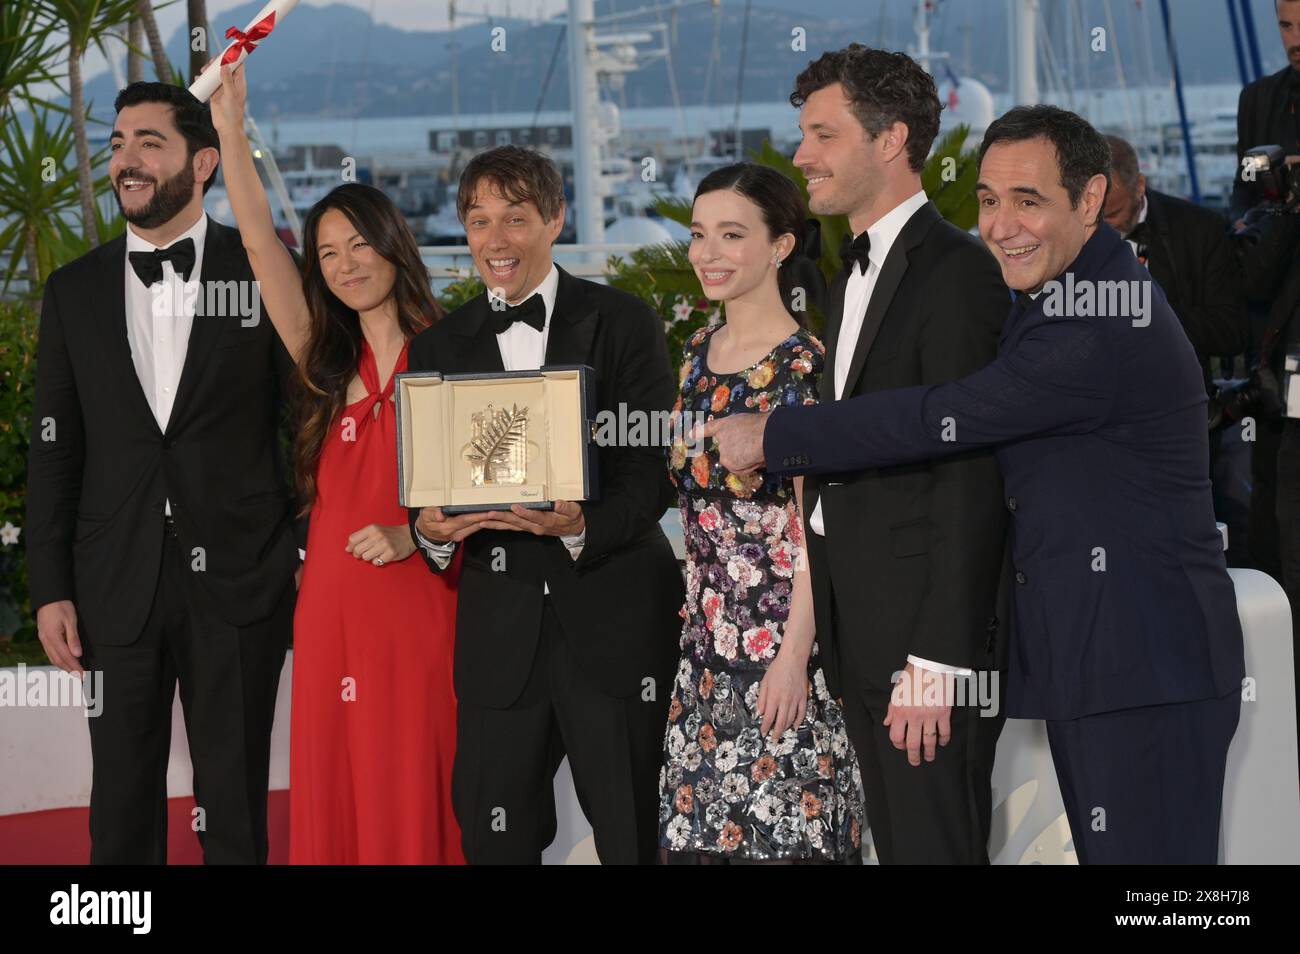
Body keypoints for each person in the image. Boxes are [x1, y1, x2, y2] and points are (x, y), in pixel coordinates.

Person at [704, 105, 1246, 865]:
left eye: (1030, 201)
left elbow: (947, 414)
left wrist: (776, 435)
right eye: (989, 200)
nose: (1001, 225)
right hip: (1106, 663)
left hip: (1142, 666)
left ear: (1091, 200)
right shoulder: (1064, 290)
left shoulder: (1096, 321)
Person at [25, 82, 298, 863]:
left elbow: (306, 420)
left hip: (242, 579)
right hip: (115, 584)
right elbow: (56, 450)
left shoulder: (262, 274)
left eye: (149, 142)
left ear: (203, 161)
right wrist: (51, 589)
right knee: (119, 800)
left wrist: (300, 549)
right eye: (117, 144)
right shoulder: (72, 291)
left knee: (236, 800)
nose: (127, 161)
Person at [209, 63, 462, 864]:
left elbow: (498, 484)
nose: (346, 263)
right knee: (338, 770)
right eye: (326, 253)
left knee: (420, 762)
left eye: (359, 243)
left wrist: (414, 533)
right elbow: (256, 241)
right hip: (329, 606)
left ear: (393, 244)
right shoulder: (321, 361)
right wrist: (229, 129)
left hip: (423, 596)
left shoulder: (453, 352)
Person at [407, 145, 683, 864]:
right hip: (501, 641)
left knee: (633, 837)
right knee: (495, 842)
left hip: (615, 621)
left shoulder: (624, 322)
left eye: (516, 218)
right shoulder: (437, 344)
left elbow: (652, 473)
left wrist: (584, 525)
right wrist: (431, 532)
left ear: (556, 219)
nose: (495, 241)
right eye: (478, 221)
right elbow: (425, 494)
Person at [784, 45, 1011, 865]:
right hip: (863, 638)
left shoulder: (957, 275)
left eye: (822, 134)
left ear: (891, 140)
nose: (801, 155)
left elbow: (972, 477)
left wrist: (937, 660)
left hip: (921, 647)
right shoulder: (851, 276)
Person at [657, 162, 865, 863]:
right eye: (697, 234)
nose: (706, 253)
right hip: (703, 662)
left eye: (730, 234)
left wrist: (793, 658)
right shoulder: (693, 357)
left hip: (785, 658)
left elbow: (820, 530)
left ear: (780, 246)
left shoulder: (808, 368)